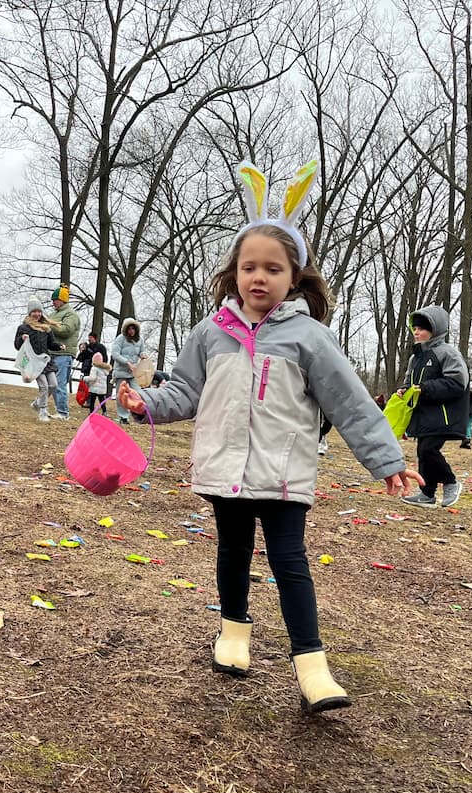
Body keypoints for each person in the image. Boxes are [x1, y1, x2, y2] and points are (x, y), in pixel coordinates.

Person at [117, 160, 421, 715]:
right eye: (249, 267)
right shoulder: (210, 333)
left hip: (284, 473)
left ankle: (312, 667)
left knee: (290, 562)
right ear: (234, 273)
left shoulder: (310, 336)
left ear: (294, 276)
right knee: (232, 551)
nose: (259, 277)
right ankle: (233, 635)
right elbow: (183, 391)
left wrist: (386, 459)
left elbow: (350, 402)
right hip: (224, 468)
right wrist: (146, 404)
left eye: (273, 269)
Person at [398, 307, 469, 507]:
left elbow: (457, 383)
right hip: (423, 415)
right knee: (423, 451)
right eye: (415, 328)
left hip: (444, 415)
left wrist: (425, 388)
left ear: (435, 330)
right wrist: (404, 390)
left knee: (429, 449)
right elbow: (408, 381)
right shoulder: (416, 357)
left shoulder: (448, 353)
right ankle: (427, 493)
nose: (416, 332)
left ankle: (451, 482)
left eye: (422, 328)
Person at [14, 298, 60, 421]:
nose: (37, 314)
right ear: (29, 313)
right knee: (44, 386)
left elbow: (51, 344)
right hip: (33, 362)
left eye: (39, 311)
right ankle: (43, 411)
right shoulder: (23, 328)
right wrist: (22, 338)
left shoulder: (46, 328)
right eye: (34, 311)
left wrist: (59, 346)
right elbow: (17, 346)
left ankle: (37, 403)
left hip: (45, 361)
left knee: (54, 385)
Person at [45, 284, 80, 420]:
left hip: (64, 354)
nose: (53, 302)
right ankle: (46, 407)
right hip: (52, 352)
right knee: (51, 384)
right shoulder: (54, 314)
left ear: (62, 300)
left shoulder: (71, 314)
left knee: (60, 384)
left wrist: (49, 324)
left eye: (55, 299)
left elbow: (65, 330)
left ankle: (63, 413)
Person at [111, 318, 146, 425]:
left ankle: (139, 415)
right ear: (125, 329)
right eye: (129, 328)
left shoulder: (140, 340)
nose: (131, 331)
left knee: (138, 393)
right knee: (121, 394)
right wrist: (127, 363)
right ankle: (123, 417)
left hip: (133, 372)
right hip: (121, 371)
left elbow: (141, 351)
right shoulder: (120, 339)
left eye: (133, 328)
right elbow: (115, 354)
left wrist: (143, 355)